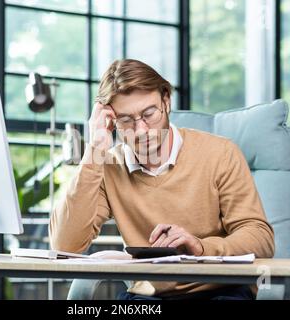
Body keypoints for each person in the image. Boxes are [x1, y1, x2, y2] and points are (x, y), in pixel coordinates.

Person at [49, 59, 275, 300]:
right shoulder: (107, 167)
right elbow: (65, 246)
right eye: (126, 120)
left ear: (166, 101)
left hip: (220, 291)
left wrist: (200, 247)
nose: (141, 130)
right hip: (149, 299)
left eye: (149, 114)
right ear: (111, 121)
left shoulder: (221, 153)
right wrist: (93, 150)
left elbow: (259, 237)